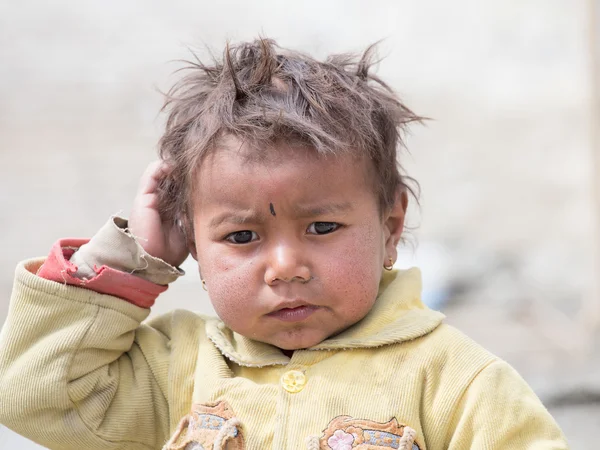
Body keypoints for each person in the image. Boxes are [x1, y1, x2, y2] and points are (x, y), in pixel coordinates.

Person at [0, 38, 568, 450]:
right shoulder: (178, 369)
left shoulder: (455, 379)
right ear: (193, 243)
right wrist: (132, 264)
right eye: (242, 236)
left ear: (391, 225)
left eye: (322, 228)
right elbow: (36, 395)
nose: (285, 267)